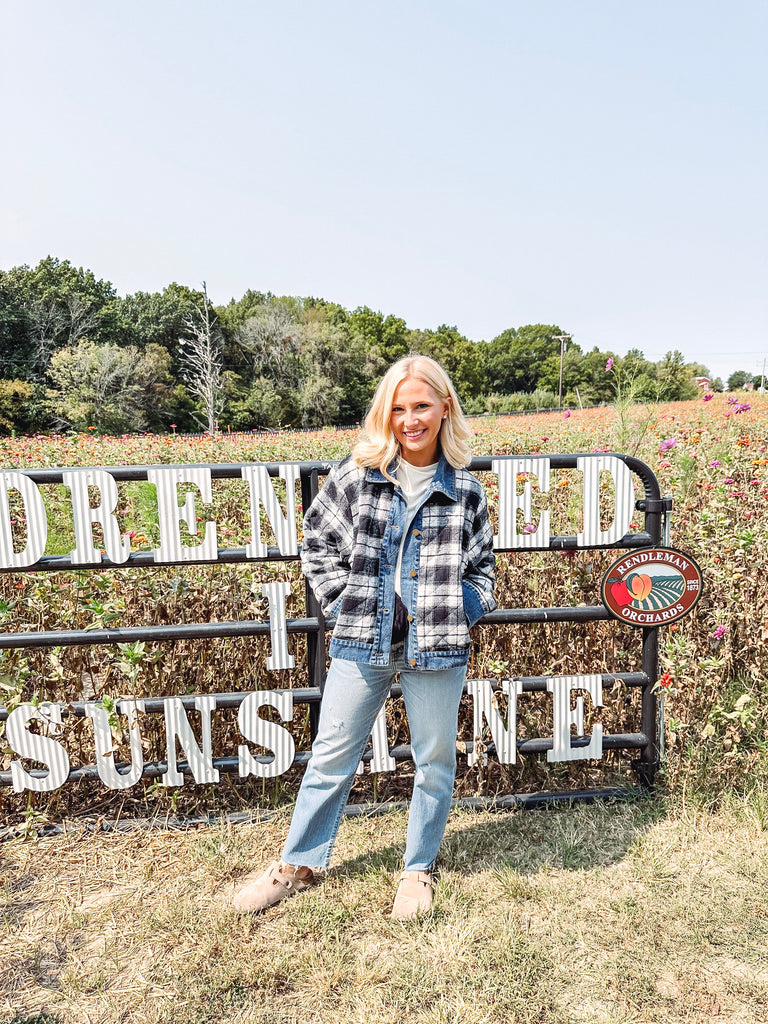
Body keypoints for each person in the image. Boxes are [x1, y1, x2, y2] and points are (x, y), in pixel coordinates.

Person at [232, 355, 496, 919]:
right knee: (331, 754)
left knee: (433, 761)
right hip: (361, 640)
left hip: (438, 647)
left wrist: (461, 610)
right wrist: (341, 603)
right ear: (385, 413)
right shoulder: (356, 474)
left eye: (421, 406)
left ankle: (416, 871)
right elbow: (317, 544)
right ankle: (298, 863)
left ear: (444, 407)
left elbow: (483, 570)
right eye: (398, 408)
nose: (410, 419)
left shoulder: (466, 492)